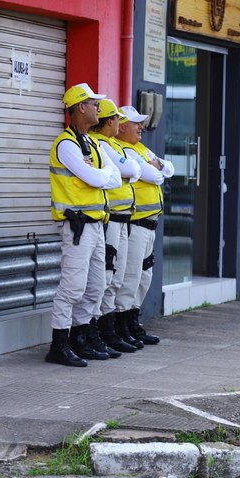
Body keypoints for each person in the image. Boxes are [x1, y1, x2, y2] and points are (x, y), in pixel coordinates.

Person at [46, 83, 122, 367]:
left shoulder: (91, 143)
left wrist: (99, 174)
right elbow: (97, 179)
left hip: (95, 225)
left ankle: (81, 338)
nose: (98, 108)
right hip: (76, 226)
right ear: (80, 107)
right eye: (93, 104)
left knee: (96, 285)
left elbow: (112, 179)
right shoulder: (66, 144)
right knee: (72, 287)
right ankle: (59, 344)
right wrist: (100, 175)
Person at [112, 105, 174, 347]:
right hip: (135, 223)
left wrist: (157, 167)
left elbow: (168, 168)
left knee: (144, 276)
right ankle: (121, 324)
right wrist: (156, 167)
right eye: (136, 123)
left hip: (149, 224)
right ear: (121, 126)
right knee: (130, 275)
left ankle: (132, 321)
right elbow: (156, 175)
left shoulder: (140, 149)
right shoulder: (124, 150)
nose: (141, 127)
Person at [88, 99, 142, 355]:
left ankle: (108, 329)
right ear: (110, 122)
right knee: (107, 277)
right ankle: (102, 330)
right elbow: (129, 170)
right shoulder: (100, 144)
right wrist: (125, 171)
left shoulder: (110, 145)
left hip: (121, 220)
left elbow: (132, 170)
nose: (120, 124)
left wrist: (126, 170)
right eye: (117, 120)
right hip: (110, 220)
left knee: (116, 276)